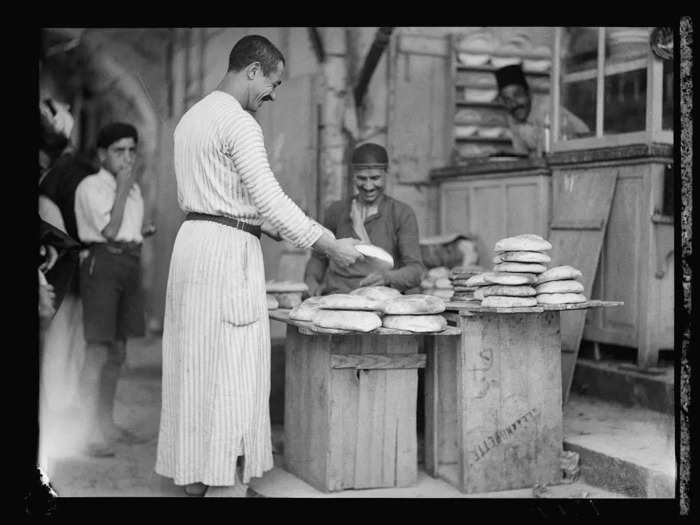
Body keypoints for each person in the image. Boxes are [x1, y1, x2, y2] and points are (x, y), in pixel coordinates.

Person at [154, 35, 363, 498]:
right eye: (272, 82)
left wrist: (265, 225)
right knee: (233, 368)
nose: (273, 94)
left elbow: (230, 197)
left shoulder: (192, 118)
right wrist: (328, 243)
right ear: (252, 70)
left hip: (194, 245)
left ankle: (194, 479)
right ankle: (226, 485)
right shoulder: (240, 123)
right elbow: (268, 197)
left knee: (194, 365)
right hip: (226, 254)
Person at [74, 122, 153, 457]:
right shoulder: (92, 186)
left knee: (118, 352)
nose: (127, 158)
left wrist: (141, 231)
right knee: (97, 352)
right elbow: (109, 231)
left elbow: (127, 229)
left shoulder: (131, 189)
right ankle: (87, 432)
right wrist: (122, 188)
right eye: (119, 151)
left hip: (127, 266)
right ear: (102, 154)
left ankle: (106, 424)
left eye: (132, 150)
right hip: (102, 265)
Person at [304, 142, 425, 295]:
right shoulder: (336, 211)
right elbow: (319, 257)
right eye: (361, 178)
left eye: (375, 178)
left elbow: (416, 270)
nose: (368, 186)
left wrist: (387, 277)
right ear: (352, 176)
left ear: (387, 174)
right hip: (338, 295)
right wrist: (311, 281)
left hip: (380, 296)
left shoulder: (401, 213)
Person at [494, 64, 590, 156]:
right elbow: (522, 155)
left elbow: (553, 151)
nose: (514, 104)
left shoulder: (546, 110)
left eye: (518, 95)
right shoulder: (513, 115)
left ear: (529, 94)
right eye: (507, 99)